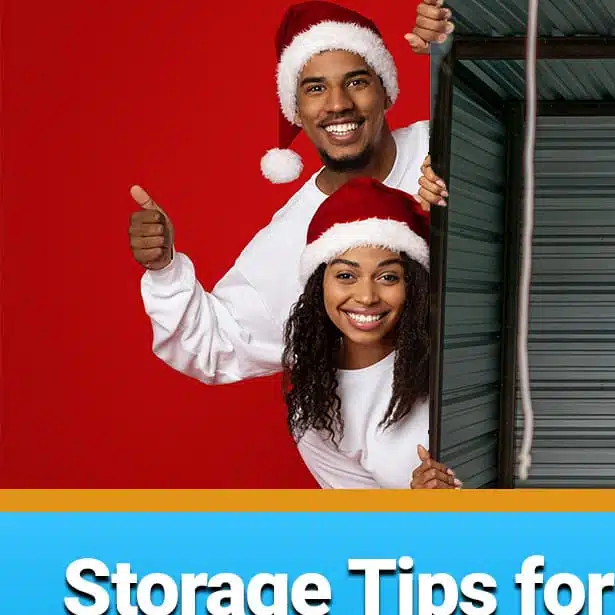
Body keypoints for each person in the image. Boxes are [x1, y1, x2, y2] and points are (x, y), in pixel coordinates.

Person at [127, 1, 452, 385]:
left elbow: (531, 122)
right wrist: (164, 272)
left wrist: (459, 46)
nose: (337, 104)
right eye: (315, 88)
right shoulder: (290, 238)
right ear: (296, 110)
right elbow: (216, 345)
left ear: (387, 91)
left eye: (357, 81)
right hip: (424, 434)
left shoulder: (446, 142)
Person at [281, 176, 458, 489]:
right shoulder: (316, 416)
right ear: (318, 283)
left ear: (412, 286)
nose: (366, 297)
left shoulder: (457, 345)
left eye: (388, 277)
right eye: (346, 275)